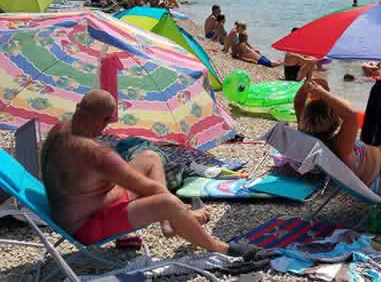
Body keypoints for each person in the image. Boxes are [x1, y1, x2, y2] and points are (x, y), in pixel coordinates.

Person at [40, 91, 262, 258]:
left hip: (67, 212)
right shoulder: (97, 155)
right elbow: (150, 189)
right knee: (167, 201)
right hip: (86, 226)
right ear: (106, 120)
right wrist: (186, 213)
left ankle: (169, 225)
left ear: (79, 106)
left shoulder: (58, 130)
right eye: (109, 122)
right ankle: (219, 248)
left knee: (149, 157)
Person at [294, 76, 381, 197]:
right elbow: (352, 115)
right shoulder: (340, 145)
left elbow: (298, 102)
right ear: (335, 122)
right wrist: (321, 93)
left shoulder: (305, 134)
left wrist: (308, 86)